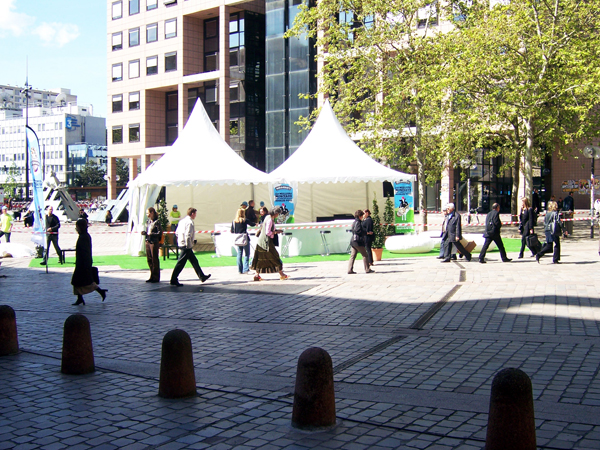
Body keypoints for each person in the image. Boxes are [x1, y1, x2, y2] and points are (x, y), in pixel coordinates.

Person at [170, 207, 211, 286]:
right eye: (195, 214)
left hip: (182, 243)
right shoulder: (190, 222)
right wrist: (189, 245)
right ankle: (173, 279)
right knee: (181, 263)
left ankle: (202, 276)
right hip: (186, 245)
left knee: (194, 261)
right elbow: (188, 235)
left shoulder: (182, 221)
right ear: (192, 214)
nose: (195, 216)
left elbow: (177, 232)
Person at [71, 219, 107, 306]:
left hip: (83, 263)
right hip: (81, 262)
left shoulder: (84, 237)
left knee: (85, 282)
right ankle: (80, 298)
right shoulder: (84, 235)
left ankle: (100, 291)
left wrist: (85, 264)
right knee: (78, 281)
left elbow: (85, 252)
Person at [251, 206, 289, 281]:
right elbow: (268, 232)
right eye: (278, 213)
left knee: (260, 259)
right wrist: (276, 232)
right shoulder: (270, 220)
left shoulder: (268, 217)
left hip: (261, 241)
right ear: (275, 213)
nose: (278, 215)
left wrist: (277, 230)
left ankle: (256, 275)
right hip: (266, 242)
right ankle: (282, 275)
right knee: (275, 257)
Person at [348, 209, 374, 274]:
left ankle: (349, 269)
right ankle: (367, 269)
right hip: (358, 241)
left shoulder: (354, 222)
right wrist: (366, 233)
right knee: (365, 255)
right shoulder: (358, 222)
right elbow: (358, 231)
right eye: (362, 216)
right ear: (359, 216)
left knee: (352, 256)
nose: (362, 217)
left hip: (353, 241)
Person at [142, 207, 162, 283]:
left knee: (154, 259)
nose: (147, 215)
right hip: (148, 241)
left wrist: (152, 234)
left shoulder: (157, 222)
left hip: (154, 242)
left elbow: (160, 233)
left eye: (148, 213)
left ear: (152, 213)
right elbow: (147, 231)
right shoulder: (148, 222)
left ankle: (156, 277)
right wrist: (145, 233)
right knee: (149, 259)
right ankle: (152, 275)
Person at [231, 208, 251, 274]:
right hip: (244, 238)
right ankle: (245, 269)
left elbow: (232, 230)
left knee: (239, 253)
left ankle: (239, 270)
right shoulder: (245, 220)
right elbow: (252, 224)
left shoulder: (234, 221)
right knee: (246, 254)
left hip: (238, 239)